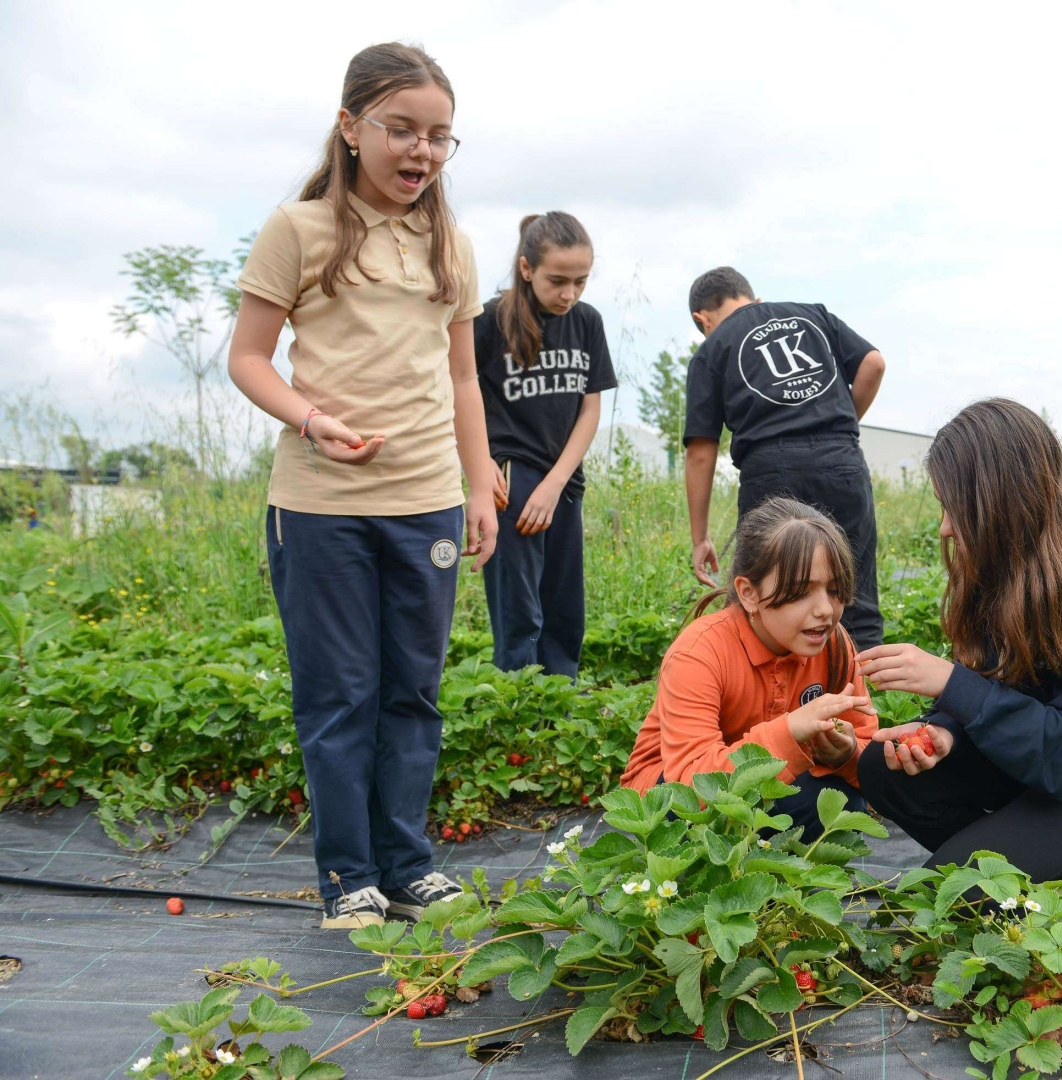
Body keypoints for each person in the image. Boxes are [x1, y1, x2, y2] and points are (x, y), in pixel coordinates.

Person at [227, 42, 495, 929]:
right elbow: (249, 358)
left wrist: (479, 487)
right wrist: (311, 420)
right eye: (401, 129)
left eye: (439, 136)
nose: (422, 151)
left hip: (426, 500)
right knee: (339, 693)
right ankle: (349, 876)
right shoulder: (298, 229)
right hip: (321, 507)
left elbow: (463, 377)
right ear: (350, 126)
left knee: (412, 691)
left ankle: (408, 866)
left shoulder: (450, 243)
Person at [854, 399, 1062, 882]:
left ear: (998, 503)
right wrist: (946, 731)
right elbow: (996, 684)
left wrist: (951, 683)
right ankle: (1046, 862)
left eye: (955, 508)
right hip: (1043, 750)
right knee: (883, 768)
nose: (945, 527)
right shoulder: (999, 560)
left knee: (965, 891)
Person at [621, 497, 878, 841]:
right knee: (694, 820)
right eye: (801, 592)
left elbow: (866, 748)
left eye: (834, 590)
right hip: (671, 793)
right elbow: (692, 787)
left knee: (843, 803)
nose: (825, 610)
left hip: (766, 786)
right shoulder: (699, 652)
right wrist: (790, 731)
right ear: (749, 593)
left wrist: (847, 755)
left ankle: (757, 862)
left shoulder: (833, 646)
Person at [682, 268, 887, 651]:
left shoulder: (713, 348)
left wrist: (700, 538)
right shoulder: (813, 315)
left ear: (702, 319)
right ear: (753, 298)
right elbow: (873, 363)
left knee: (766, 599)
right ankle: (862, 685)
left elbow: (700, 452)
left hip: (770, 471)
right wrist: (841, 427)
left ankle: (765, 684)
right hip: (840, 461)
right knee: (853, 592)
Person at [475, 212, 616, 677]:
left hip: (563, 481)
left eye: (580, 281)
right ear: (526, 268)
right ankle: (519, 708)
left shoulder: (586, 321)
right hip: (512, 479)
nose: (569, 294)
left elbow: (589, 410)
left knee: (565, 610)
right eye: (557, 281)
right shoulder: (488, 321)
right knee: (520, 616)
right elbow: (457, 395)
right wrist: (478, 464)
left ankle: (561, 707)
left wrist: (556, 483)